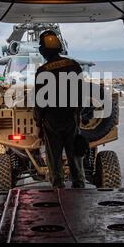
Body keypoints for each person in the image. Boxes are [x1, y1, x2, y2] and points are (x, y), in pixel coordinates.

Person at [34, 30, 86, 188]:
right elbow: (80, 92)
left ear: (43, 51)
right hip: (71, 118)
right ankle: (79, 184)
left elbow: (39, 102)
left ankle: (58, 188)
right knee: (75, 156)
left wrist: (38, 123)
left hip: (51, 121)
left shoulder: (42, 71)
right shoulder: (73, 65)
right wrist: (79, 114)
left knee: (54, 158)